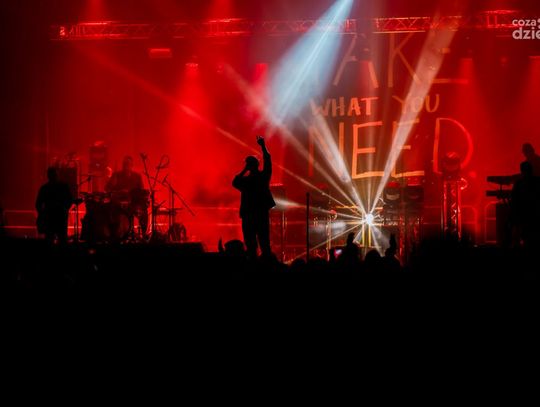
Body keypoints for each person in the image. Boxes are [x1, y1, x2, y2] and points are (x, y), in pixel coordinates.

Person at [233, 136, 276, 259]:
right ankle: (265, 263)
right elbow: (268, 160)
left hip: (250, 215)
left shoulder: (248, 181)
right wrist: (263, 146)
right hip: (258, 214)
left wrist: (244, 170)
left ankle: (255, 263)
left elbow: (235, 182)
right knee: (263, 243)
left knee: (252, 245)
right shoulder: (262, 177)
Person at [106, 156, 148, 239]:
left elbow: (141, 191)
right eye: (125, 164)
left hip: (133, 203)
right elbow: (107, 188)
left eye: (128, 164)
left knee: (144, 210)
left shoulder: (137, 176)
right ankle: (113, 234)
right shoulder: (116, 175)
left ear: (132, 165)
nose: (126, 166)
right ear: (123, 165)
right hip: (118, 203)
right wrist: (115, 188)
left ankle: (144, 234)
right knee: (109, 208)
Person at [35, 167, 73, 244]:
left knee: (50, 238)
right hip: (60, 216)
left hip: (50, 217)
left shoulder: (45, 188)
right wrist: (65, 209)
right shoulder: (63, 186)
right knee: (61, 239)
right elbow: (70, 199)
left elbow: (38, 204)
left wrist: (42, 213)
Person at [511, 161, 540, 250]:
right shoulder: (537, 181)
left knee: (525, 235)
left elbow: (514, 199)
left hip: (523, 214)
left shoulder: (519, 183)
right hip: (534, 213)